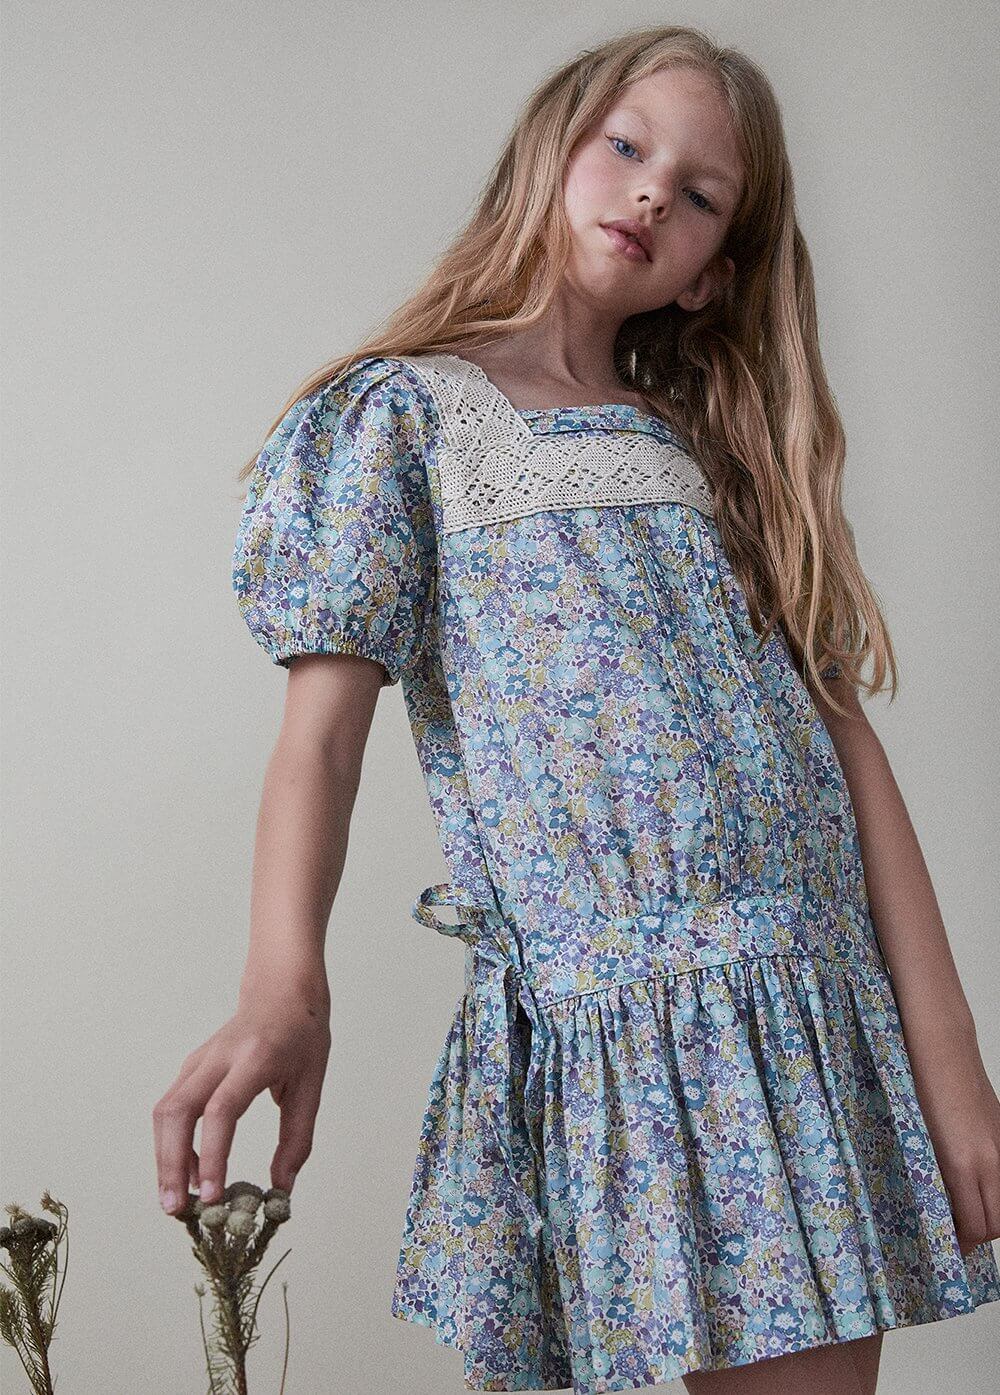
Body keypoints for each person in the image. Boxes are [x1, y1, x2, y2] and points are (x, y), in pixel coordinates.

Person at [151, 23, 1000, 1395]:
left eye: (700, 192)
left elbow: (846, 746)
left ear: (712, 271)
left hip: (799, 1013)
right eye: (626, 145)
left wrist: (950, 1064)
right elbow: (322, 737)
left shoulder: (721, 458)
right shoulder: (404, 421)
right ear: (551, 154)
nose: (654, 190)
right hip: (604, 1019)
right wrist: (281, 985)